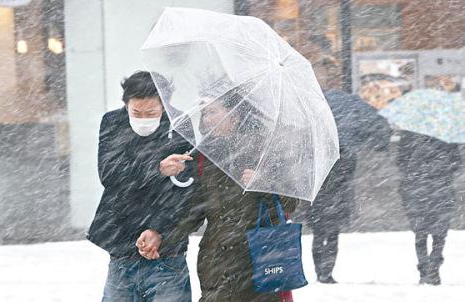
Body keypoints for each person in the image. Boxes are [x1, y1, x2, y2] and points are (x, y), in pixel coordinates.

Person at [171, 87, 299, 302]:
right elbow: (195, 209)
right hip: (216, 260)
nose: (207, 119)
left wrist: (264, 184)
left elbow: (291, 202)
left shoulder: (264, 148)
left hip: (259, 257)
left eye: (213, 112)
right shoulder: (204, 154)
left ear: (236, 113)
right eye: (204, 113)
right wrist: (164, 238)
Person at [86, 71, 196, 301]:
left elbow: (187, 191)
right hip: (122, 244)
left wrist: (159, 230)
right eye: (136, 112)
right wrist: (157, 169)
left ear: (164, 107)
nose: (143, 118)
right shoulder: (113, 123)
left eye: (151, 113)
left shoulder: (180, 126)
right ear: (126, 104)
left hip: (168, 254)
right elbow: (110, 175)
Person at [308, 53, 393, 284]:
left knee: (321, 233)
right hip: (336, 195)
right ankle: (326, 272)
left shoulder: (318, 134)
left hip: (321, 194)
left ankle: (321, 272)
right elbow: (349, 172)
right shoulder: (348, 135)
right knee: (332, 233)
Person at [396, 130, 461, 285]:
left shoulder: (409, 134)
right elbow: (456, 163)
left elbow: (400, 162)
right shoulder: (447, 136)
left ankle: (424, 269)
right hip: (441, 190)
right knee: (439, 235)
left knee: (420, 234)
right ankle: (434, 266)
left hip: (416, 190)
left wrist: (415, 171)